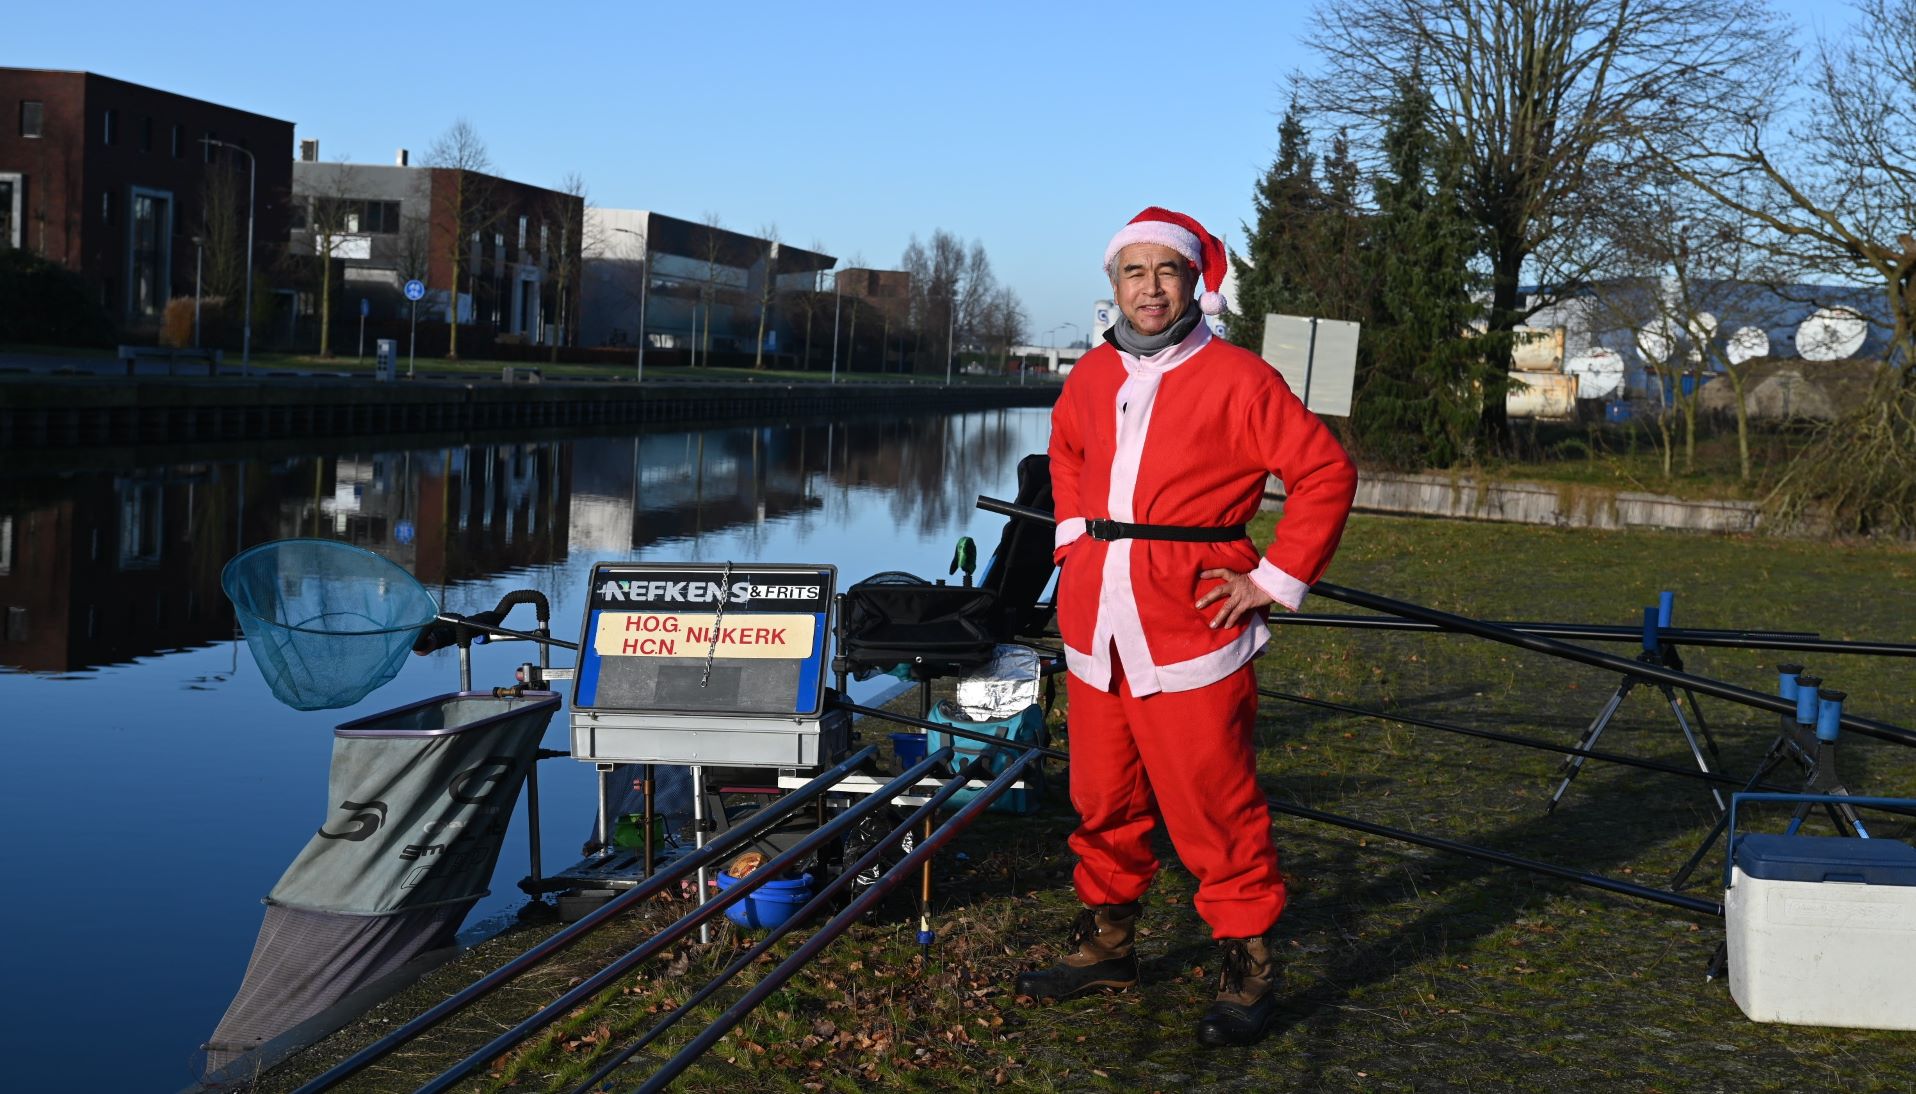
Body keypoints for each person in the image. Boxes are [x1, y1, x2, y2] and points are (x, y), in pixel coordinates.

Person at [1017, 207, 1357, 1048]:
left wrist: (1271, 580)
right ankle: (1108, 945)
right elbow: (1064, 455)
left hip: (1191, 617)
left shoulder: (1240, 377)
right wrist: (1069, 537)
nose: (1150, 288)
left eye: (1165, 271)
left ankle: (1246, 960)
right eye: (1133, 272)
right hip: (1099, 620)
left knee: (1214, 803)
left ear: (1193, 279)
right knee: (1102, 796)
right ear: (1114, 285)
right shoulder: (1091, 375)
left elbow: (1324, 472)